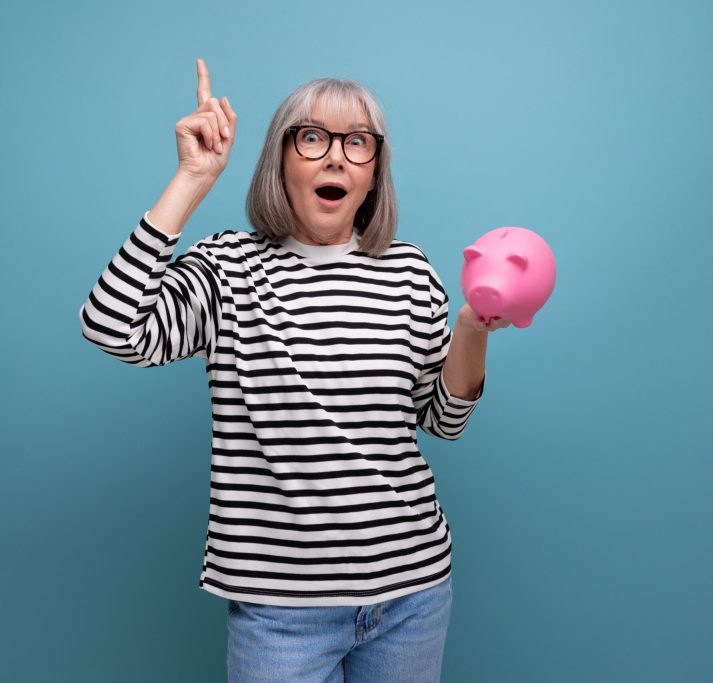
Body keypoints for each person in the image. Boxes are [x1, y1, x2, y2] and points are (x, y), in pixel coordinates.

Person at [79, 59, 511, 683]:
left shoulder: (411, 273)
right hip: (280, 609)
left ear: (373, 173)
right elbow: (112, 326)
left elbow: (443, 420)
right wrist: (193, 178)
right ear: (281, 160)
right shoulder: (228, 267)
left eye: (357, 143)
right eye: (312, 137)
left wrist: (469, 332)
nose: (336, 157)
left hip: (411, 593)